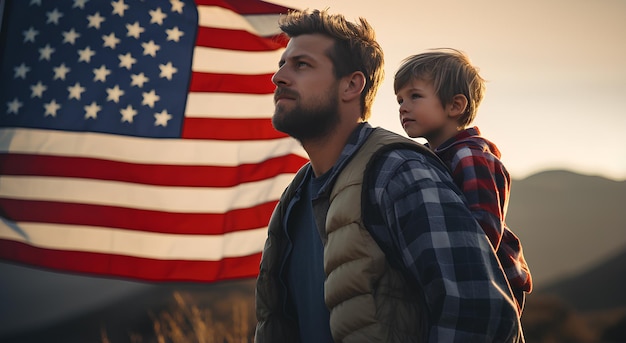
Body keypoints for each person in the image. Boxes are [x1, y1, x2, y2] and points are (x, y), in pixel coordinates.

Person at [255, 9, 523, 343]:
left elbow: (480, 313)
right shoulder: (293, 197)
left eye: (301, 65)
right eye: (282, 64)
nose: (278, 77)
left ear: (352, 84)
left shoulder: (399, 171)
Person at [393, 48, 533, 314]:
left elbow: (485, 230)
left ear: (455, 105)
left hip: (489, 282)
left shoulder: (469, 155)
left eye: (415, 96)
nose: (403, 107)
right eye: (399, 100)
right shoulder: (433, 157)